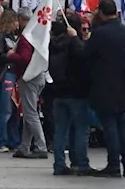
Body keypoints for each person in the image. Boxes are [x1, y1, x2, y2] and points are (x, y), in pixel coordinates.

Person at [85, 0, 125, 178]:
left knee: (110, 127)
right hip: (123, 85)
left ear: (101, 12)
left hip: (104, 85)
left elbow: (87, 56)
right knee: (121, 124)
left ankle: (114, 165)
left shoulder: (99, 34)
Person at [49, 11, 91, 176]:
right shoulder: (74, 43)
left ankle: (59, 164)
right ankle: (81, 164)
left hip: (59, 91)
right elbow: (84, 57)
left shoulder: (53, 44)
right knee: (81, 129)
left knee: (60, 131)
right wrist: (75, 39)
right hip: (77, 92)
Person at [6, 10, 48, 159]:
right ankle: (24, 146)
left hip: (29, 77)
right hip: (38, 75)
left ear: (21, 20)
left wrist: (12, 55)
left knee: (31, 114)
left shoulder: (26, 38)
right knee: (30, 112)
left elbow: (24, 58)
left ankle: (41, 146)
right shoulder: (38, 35)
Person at [0, 7, 22, 153]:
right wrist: (11, 55)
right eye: (15, 21)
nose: (17, 24)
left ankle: (13, 140)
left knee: (14, 109)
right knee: (6, 109)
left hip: (15, 74)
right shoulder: (1, 37)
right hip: (7, 74)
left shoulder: (12, 37)